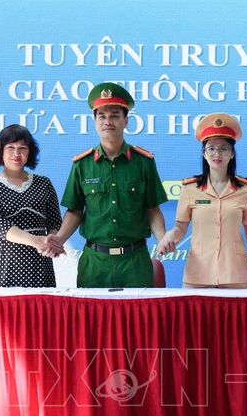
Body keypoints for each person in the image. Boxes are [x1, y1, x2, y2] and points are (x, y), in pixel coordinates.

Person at [49, 82, 169, 287]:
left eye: (114, 115)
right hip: (94, 264)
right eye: (102, 116)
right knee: (92, 310)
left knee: (138, 310)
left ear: (126, 121)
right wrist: (59, 239)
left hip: (135, 263)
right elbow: (75, 211)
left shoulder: (143, 162)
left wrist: (163, 238)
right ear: (95, 121)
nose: (107, 121)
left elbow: (152, 209)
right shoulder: (82, 164)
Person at [155, 113, 247, 288]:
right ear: (204, 153)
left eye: (223, 148)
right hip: (198, 275)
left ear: (232, 154)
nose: (217, 154)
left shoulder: (245, 190)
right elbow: (180, 228)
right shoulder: (190, 189)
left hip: (236, 274)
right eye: (211, 148)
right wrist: (169, 236)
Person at [0, 125, 63, 287]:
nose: (16, 153)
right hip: (3, 262)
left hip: (39, 261)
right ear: (1, 151)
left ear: (30, 152)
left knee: (40, 303)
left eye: (22, 148)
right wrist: (36, 241)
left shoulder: (44, 183)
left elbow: (55, 222)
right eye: (10, 148)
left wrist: (51, 244)